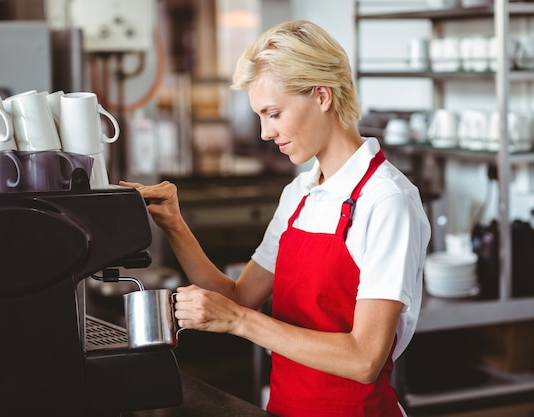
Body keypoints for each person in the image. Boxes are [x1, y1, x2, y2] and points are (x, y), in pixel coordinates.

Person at [121, 19, 431, 417]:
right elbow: (238, 296)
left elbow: (363, 359)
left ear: (322, 96)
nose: (266, 132)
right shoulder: (300, 194)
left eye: (274, 113)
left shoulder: (387, 200)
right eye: (261, 117)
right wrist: (174, 224)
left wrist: (237, 321)